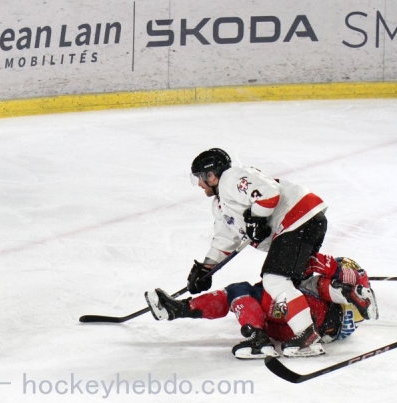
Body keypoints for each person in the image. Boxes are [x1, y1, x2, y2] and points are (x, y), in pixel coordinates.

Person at [179, 148, 374, 357]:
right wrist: (205, 269)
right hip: (302, 223)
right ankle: (347, 293)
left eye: (199, 177)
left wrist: (257, 217)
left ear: (211, 175)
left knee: (275, 281)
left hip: (297, 219)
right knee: (295, 282)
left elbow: (269, 193)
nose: (199, 184)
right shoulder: (220, 204)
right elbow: (225, 240)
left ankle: (307, 338)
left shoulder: (231, 178)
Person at [146, 254, 378, 359]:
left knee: (241, 291)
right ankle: (178, 309)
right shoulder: (344, 280)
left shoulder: (339, 272)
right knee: (248, 294)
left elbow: (314, 265)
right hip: (310, 325)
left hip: (314, 317)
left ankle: (257, 339)